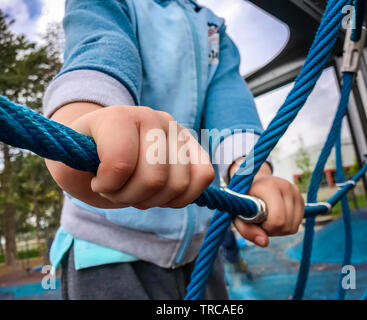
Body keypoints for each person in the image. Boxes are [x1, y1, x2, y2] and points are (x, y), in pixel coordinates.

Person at [43, 0, 304, 300]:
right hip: (107, 250)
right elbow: (99, 45)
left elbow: (230, 104)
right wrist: (83, 124)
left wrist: (252, 177)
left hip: (200, 249)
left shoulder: (212, 27)